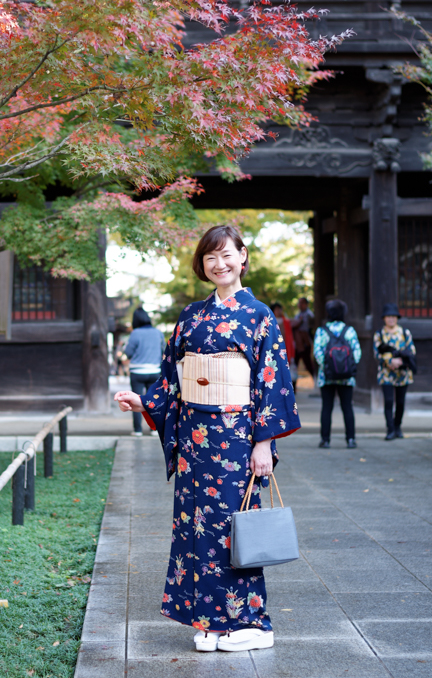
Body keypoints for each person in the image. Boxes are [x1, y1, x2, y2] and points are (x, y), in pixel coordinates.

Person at [114, 224, 300, 654]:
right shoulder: (191, 316)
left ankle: (252, 621)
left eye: (227, 255)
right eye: (210, 258)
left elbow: (272, 384)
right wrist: (144, 403)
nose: (219, 264)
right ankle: (211, 620)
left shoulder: (259, 316)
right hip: (194, 439)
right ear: (203, 264)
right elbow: (172, 379)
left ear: (243, 256)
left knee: (233, 528)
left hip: (237, 438)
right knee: (195, 526)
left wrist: (262, 443)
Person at [313, 299, 361, 449]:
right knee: (347, 407)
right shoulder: (349, 330)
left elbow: (317, 352)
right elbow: (357, 353)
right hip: (346, 378)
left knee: (327, 407)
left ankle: (325, 440)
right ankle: (351, 439)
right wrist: (347, 367)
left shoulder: (322, 331)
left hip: (326, 377)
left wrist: (328, 367)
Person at [374, 303, 416, 440]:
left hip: (403, 373)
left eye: (393, 316)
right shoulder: (379, 334)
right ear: (384, 318)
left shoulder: (405, 333)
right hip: (386, 373)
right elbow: (376, 352)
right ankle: (390, 429)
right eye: (388, 316)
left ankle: (398, 426)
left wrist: (400, 362)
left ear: (397, 318)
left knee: (400, 402)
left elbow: (412, 351)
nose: (391, 319)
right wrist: (389, 361)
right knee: (388, 401)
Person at [122, 307, 164, 436]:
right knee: (153, 400)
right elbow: (163, 351)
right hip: (154, 371)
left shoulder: (135, 333)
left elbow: (128, 353)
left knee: (135, 400)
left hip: (137, 372)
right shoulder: (158, 333)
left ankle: (138, 430)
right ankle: (154, 429)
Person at [291, 297, 318, 383]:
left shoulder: (309, 315)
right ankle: (293, 384)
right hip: (297, 343)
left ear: (306, 304)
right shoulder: (298, 315)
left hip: (305, 343)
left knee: (308, 363)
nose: (300, 305)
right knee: (294, 363)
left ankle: (315, 380)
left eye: (302, 303)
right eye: (299, 303)